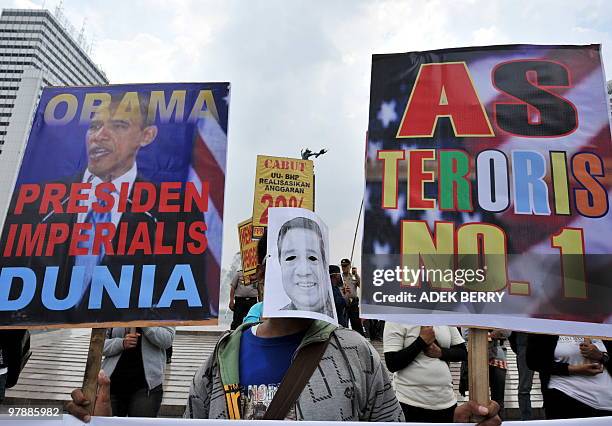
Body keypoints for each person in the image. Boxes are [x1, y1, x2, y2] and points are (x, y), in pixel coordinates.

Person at [68, 234, 502, 425]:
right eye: (286, 259)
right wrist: (104, 425)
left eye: (313, 257)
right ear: (261, 275)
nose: (303, 272)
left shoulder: (357, 354)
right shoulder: (220, 359)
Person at [0, 92, 209, 324]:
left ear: (147, 135)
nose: (100, 136)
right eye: (95, 126)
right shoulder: (33, 203)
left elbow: (187, 308)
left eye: (119, 125)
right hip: (49, 349)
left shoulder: (177, 213)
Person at [384, 323, 467, 423]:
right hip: (410, 402)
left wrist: (441, 352)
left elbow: (462, 352)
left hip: (446, 400)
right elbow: (392, 363)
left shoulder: (443, 315)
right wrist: (421, 342)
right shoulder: (396, 318)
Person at [527, 334, 612, 419]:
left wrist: (601, 356)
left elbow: (606, 357)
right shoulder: (546, 326)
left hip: (607, 404)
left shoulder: (604, 325)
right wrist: (573, 369)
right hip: (567, 399)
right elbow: (534, 360)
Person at [102, 326, 175, 417]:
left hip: (147, 387)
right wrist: (121, 343)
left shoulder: (162, 311)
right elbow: (99, 344)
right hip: (111, 385)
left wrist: (144, 322)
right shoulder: (111, 312)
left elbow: (167, 340)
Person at [277, 217, 334, 318]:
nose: (304, 271)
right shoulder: (277, 319)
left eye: (312, 258)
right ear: (280, 263)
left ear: (324, 264)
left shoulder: (337, 319)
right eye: (291, 258)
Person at [509, 332, 534, 420]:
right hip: (524, 344)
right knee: (524, 387)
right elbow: (511, 336)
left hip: (538, 343)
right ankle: (526, 419)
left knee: (549, 385)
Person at [341, 258, 365, 335]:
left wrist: (356, 275)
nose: (343, 268)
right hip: (344, 303)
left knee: (356, 323)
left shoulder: (353, 277)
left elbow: (362, 286)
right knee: (344, 323)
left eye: (345, 266)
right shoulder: (340, 278)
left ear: (349, 266)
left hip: (353, 303)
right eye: (342, 266)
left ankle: (360, 337)